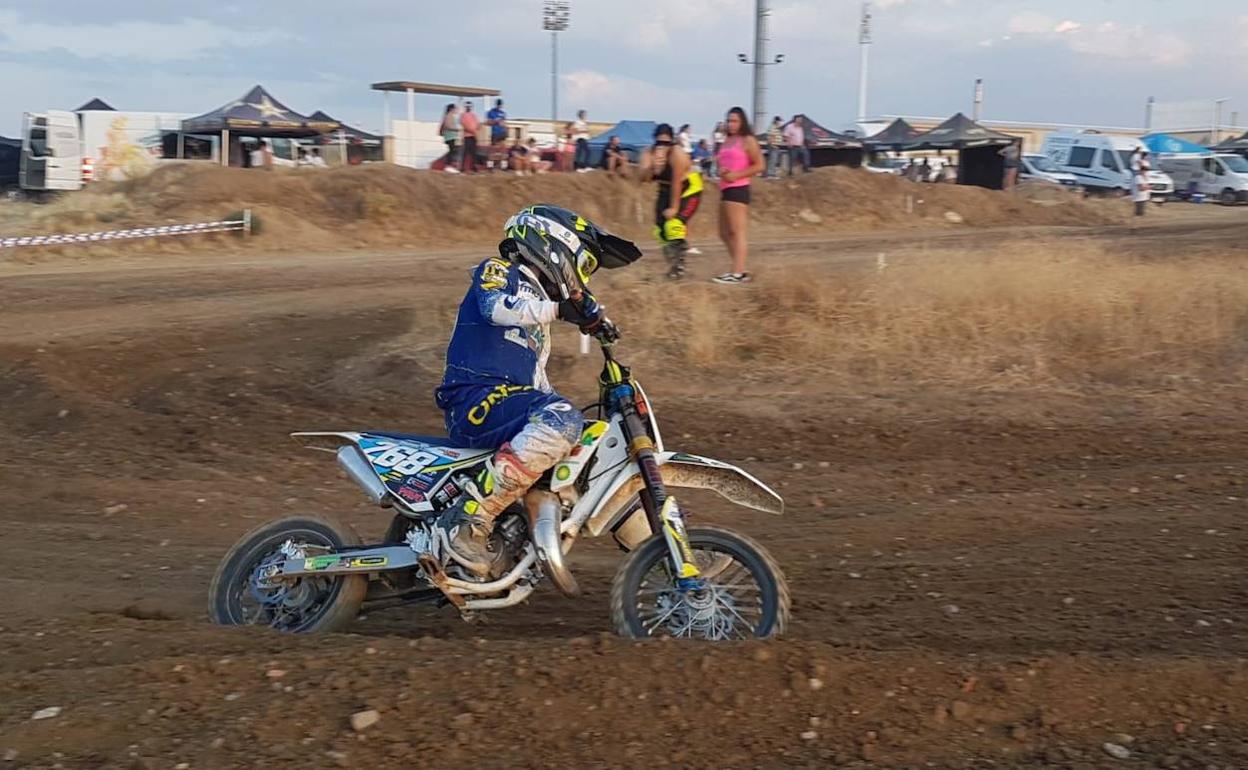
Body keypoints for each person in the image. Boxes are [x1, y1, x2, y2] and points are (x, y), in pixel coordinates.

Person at [434, 205, 633, 575]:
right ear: (556, 245)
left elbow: (537, 385)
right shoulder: (499, 271)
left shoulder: (538, 319)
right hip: (475, 398)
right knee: (562, 418)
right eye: (585, 264)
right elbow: (494, 308)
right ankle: (470, 517)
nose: (584, 276)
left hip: (505, 402)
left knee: (577, 430)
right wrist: (559, 310)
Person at [642, 123, 704, 279]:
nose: (662, 146)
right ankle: (673, 263)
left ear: (672, 142)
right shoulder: (649, 153)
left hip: (689, 187)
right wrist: (653, 167)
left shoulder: (677, 153)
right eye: (659, 142)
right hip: (665, 189)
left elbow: (677, 182)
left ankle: (679, 266)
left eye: (666, 143)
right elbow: (643, 179)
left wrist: (674, 208)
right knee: (660, 231)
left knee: (673, 224)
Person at [714, 107, 766, 285]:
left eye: (735, 121)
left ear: (742, 122)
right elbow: (725, 161)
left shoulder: (748, 140)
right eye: (729, 121)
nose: (731, 124)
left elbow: (759, 165)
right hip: (725, 187)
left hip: (738, 187)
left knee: (737, 232)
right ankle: (740, 268)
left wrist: (736, 175)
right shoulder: (727, 140)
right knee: (723, 232)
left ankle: (737, 272)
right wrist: (722, 170)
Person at [439, 102, 460, 173]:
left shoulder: (449, 116)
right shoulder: (449, 116)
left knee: (452, 150)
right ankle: (448, 166)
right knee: (452, 151)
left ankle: (449, 165)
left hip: (451, 136)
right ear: (451, 109)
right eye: (455, 108)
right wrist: (456, 129)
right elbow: (448, 126)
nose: (456, 110)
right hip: (450, 136)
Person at [460, 103, 480, 173]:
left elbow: (477, 124)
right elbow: (464, 125)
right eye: (467, 106)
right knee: (465, 152)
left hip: (473, 136)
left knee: (474, 152)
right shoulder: (463, 115)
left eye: (470, 106)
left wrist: (476, 130)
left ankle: (473, 166)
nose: (468, 108)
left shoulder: (474, 115)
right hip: (467, 136)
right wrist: (472, 131)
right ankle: (462, 167)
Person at [1130, 146, 1151, 216]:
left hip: (1136, 170)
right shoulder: (1136, 155)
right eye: (1140, 150)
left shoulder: (1135, 156)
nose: (1141, 151)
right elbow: (1139, 163)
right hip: (1136, 170)